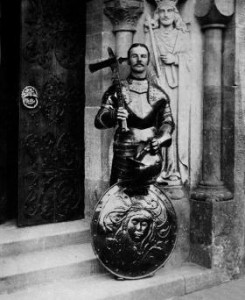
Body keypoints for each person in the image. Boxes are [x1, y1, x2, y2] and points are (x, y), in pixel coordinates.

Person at [94, 43, 175, 186]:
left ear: (148, 60)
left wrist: (160, 139)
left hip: (150, 154)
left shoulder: (160, 94)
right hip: (124, 153)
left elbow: (168, 123)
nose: (139, 59)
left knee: (149, 200)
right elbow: (99, 120)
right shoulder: (115, 90)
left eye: (143, 56)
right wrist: (113, 115)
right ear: (129, 60)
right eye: (134, 56)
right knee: (119, 198)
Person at [145, 0, 191, 185]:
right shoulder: (152, 35)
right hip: (158, 88)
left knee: (174, 125)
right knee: (158, 124)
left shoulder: (182, 35)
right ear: (157, 13)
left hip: (177, 88)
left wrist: (176, 59)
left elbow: (192, 60)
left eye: (169, 11)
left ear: (175, 13)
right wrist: (153, 76)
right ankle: (159, 168)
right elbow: (146, 60)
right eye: (161, 11)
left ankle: (174, 170)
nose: (165, 15)